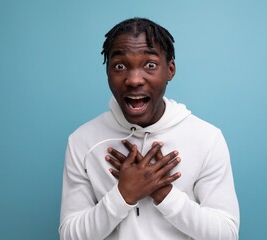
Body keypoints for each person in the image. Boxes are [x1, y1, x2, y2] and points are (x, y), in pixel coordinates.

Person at [59, 17, 239, 240]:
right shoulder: (82, 140)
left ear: (170, 70)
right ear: (107, 72)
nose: (134, 80)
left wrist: (162, 192)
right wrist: (124, 194)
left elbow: (226, 234)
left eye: (150, 65)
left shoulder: (207, 138)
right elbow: (70, 235)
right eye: (120, 66)